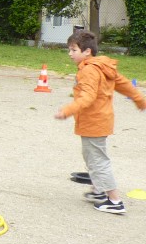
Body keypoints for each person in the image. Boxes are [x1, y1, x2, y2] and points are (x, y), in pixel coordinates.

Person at [54, 29, 145, 215]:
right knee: (92, 157)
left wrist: (67, 110)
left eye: (73, 50)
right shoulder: (103, 66)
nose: (70, 54)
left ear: (87, 52)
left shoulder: (89, 70)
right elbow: (124, 84)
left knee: (98, 161)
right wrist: (139, 99)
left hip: (93, 122)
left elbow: (88, 97)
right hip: (99, 121)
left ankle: (114, 201)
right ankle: (98, 191)